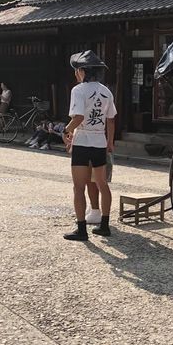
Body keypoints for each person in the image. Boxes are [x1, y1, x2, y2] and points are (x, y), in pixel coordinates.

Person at [62, 50, 116, 241]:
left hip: (83, 141)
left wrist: (65, 130)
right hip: (99, 142)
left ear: (83, 71)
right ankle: (105, 225)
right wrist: (110, 142)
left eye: (77, 70)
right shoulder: (106, 91)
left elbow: (79, 117)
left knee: (78, 187)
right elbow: (111, 120)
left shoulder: (78, 90)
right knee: (102, 184)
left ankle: (82, 229)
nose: (76, 74)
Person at [85, 151, 114, 224]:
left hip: (97, 147)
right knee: (92, 180)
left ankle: (95, 210)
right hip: (94, 145)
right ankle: (94, 208)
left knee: (96, 181)